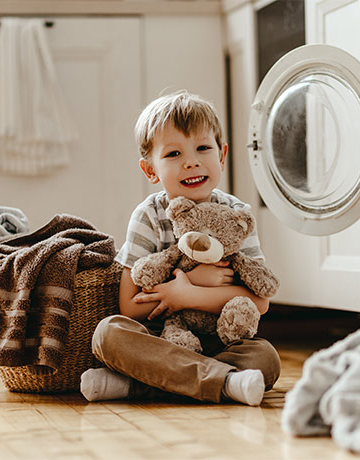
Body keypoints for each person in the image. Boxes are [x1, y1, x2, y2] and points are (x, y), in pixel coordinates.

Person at [80, 90, 281, 406]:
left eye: (203, 148)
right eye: (173, 154)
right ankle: (225, 384)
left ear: (222, 156)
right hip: (160, 341)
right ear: (150, 170)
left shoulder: (237, 214)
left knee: (265, 357)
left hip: (220, 340)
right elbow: (130, 307)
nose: (191, 161)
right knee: (108, 334)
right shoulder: (148, 216)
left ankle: (137, 386)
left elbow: (260, 301)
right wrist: (190, 285)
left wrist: (191, 296)